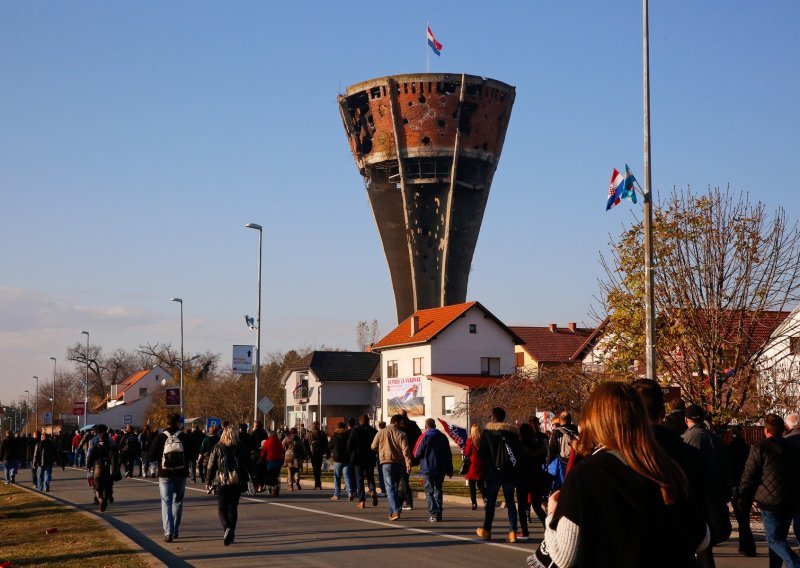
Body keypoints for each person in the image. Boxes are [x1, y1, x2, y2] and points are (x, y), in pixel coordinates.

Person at [541, 382, 709, 567]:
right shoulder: (666, 467)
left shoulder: (586, 474)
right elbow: (702, 538)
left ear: (597, 421)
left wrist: (551, 515)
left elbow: (564, 557)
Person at [738, 413, 800, 568]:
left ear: (766, 430)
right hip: (790, 498)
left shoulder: (759, 448)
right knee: (780, 538)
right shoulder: (791, 447)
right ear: (783, 429)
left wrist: (743, 496)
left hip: (769, 501)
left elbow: (749, 475)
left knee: (774, 539)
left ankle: (794, 562)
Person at [682, 404, 732, 568]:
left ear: (686, 419)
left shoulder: (687, 439)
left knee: (701, 538)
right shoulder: (715, 439)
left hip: (698, 494)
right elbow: (725, 468)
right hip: (715, 492)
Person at [476, 407, 522, 543]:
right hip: (509, 472)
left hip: (492, 472)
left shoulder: (487, 433)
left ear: (493, 417)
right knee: (510, 502)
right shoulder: (512, 433)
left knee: (491, 502)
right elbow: (518, 453)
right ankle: (513, 531)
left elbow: (482, 454)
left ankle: (487, 530)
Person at [206, 425, 250, 546]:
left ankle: (226, 528)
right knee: (233, 508)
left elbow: (211, 465)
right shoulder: (241, 447)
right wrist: (255, 480)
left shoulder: (218, 447)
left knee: (222, 508)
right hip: (237, 481)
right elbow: (249, 464)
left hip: (222, 481)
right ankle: (232, 533)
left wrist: (208, 481)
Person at [149, 413, 190, 543]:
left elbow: (152, 456)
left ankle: (168, 532)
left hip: (165, 474)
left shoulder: (160, 437)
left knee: (166, 502)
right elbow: (192, 453)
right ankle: (175, 529)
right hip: (181, 473)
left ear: (166, 423)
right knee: (177, 502)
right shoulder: (184, 437)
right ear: (178, 422)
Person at [371, 414, 412, 521]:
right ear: (396, 422)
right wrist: (408, 463)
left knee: (390, 489)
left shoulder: (381, 432)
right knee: (393, 488)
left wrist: (382, 450)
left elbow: (373, 446)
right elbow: (406, 451)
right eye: (401, 422)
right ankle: (393, 511)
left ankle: (395, 510)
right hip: (398, 463)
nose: (403, 425)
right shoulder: (402, 434)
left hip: (386, 462)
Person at [414, 418, 453, 522]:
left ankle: (434, 513)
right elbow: (448, 454)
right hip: (441, 467)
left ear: (426, 427)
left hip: (428, 467)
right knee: (438, 489)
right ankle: (438, 512)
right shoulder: (443, 436)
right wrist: (449, 468)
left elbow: (416, 452)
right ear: (435, 426)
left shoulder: (425, 436)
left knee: (429, 491)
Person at [517, 422, 548, 539]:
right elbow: (542, 459)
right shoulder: (539, 445)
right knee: (537, 506)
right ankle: (547, 526)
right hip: (536, 477)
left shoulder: (519, 446)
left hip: (523, 477)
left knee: (522, 506)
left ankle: (525, 532)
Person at [86, 424, 121, 511]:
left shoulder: (94, 440)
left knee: (97, 484)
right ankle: (108, 496)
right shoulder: (110, 439)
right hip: (109, 465)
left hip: (97, 465)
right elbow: (115, 452)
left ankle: (99, 499)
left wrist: (88, 466)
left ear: (97, 431)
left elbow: (90, 454)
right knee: (108, 483)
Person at [348, 414, 379, 508]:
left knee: (359, 479)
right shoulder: (374, 431)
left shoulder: (355, 430)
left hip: (358, 458)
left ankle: (362, 500)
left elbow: (349, 444)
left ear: (360, 421)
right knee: (370, 476)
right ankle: (372, 490)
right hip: (370, 457)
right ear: (368, 421)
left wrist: (352, 454)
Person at [397, 410, 422, 511]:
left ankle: (408, 502)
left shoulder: (401, 427)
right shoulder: (414, 425)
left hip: (403, 455)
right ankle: (400, 501)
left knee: (403, 479)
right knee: (404, 479)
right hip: (412, 455)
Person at [463, 424, 485, 510]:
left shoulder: (470, 440)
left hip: (472, 465)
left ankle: (474, 503)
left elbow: (467, 453)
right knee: (481, 485)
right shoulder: (483, 440)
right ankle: (485, 499)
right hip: (481, 465)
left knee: (472, 486)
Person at [329, 422, 352, 500]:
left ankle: (337, 494)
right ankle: (350, 493)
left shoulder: (334, 435)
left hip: (337, 459)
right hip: (347, 458)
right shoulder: (348, 434)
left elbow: (330, 446)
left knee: (337, 477)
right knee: (347, 476)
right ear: (344, 427)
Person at [259, 430, 284, 496]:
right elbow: (282, 450)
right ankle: (275, 486)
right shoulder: (279, 442)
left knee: (270, 473)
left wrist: (261, 458)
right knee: (276, 474)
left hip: (271, 461)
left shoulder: (268, 441)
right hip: (279, 461)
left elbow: (263, 451)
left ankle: (273, 485)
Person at [305, 421, 329, 490]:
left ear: (312, 426)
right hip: (320, 453)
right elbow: (326, 444)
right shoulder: (322, 433)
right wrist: (327, 453)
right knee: (318, 468)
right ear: (318, 426)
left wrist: (308, 453)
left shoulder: (309, 434)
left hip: (313, 454)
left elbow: (306, 445)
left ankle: (317, 483)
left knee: (315, 469)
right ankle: (318, 483)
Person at [282, 427, 305, 491]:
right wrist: (303, 456)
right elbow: (303, 449)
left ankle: (290, 486)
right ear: (296, 432)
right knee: (297, 470)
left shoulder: (286, 438)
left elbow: (282, 446)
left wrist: (284, 453)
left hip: (288, 456)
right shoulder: (299, 440)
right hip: (297, 456)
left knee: (290, 471)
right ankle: (297, 480)